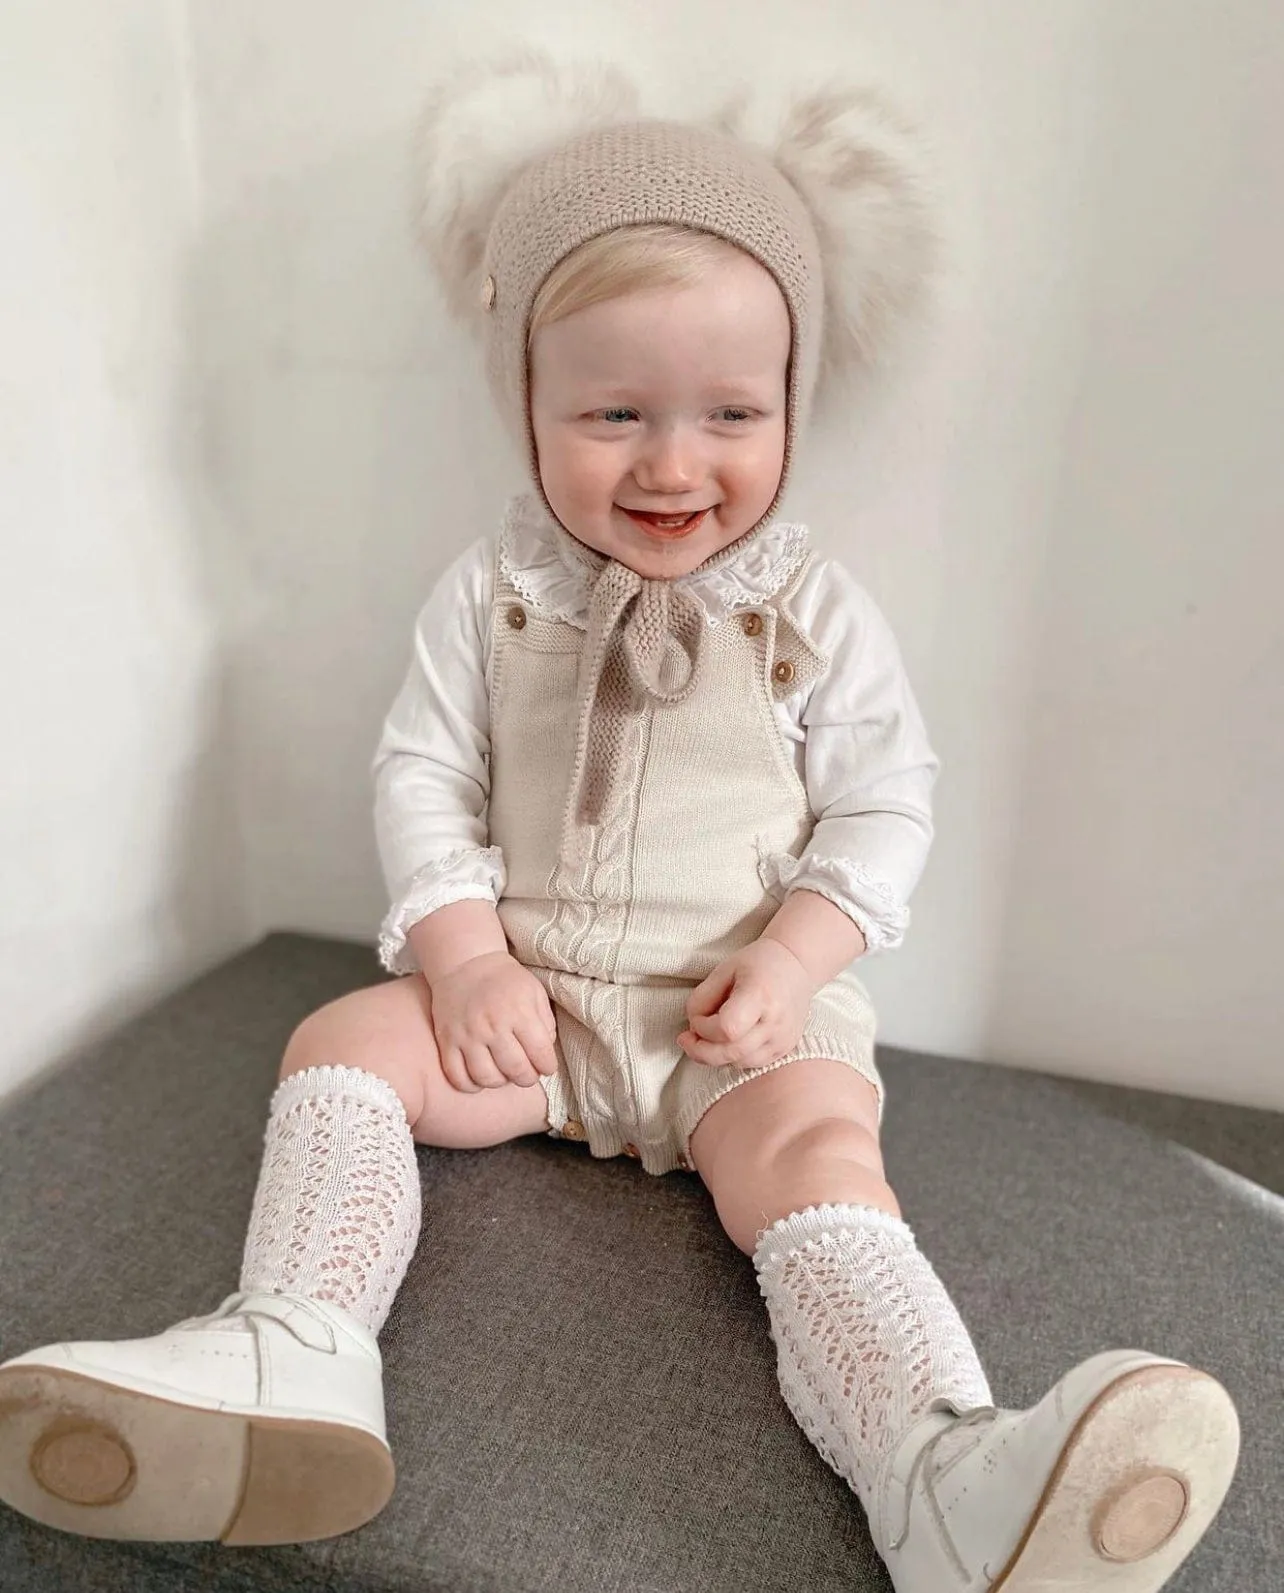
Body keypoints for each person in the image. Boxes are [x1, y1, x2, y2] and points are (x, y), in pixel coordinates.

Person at [0, 51, 1239, 1591]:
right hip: (534, 1017)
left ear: (795, 402)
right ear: (524, 400)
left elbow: (886, 802)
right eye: (613, 410)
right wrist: (459, 960)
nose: (672, 462)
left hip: (739, 1029)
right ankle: (293, 1349)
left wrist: (795, 959)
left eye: (731, 410)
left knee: (819, 1160)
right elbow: (421, 777)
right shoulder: (494, 595)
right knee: (339, 1044)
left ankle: (939, 1461)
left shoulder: (810, 613)